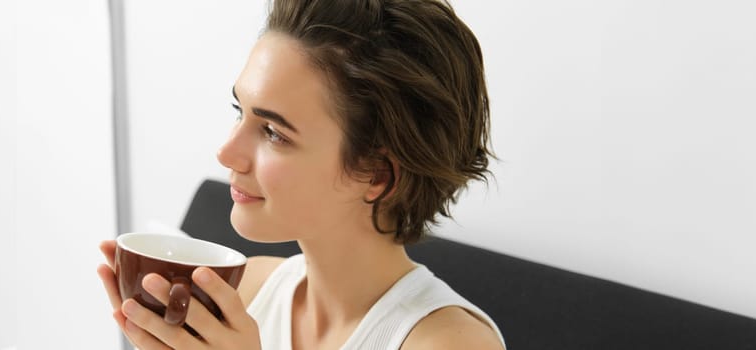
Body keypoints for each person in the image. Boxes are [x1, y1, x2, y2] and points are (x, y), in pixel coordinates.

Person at [97, 0, 504, 348]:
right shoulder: (249, 289)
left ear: (377, 175)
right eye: (240, 112)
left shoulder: (448, 341)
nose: (226, 153)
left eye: (273, 132)